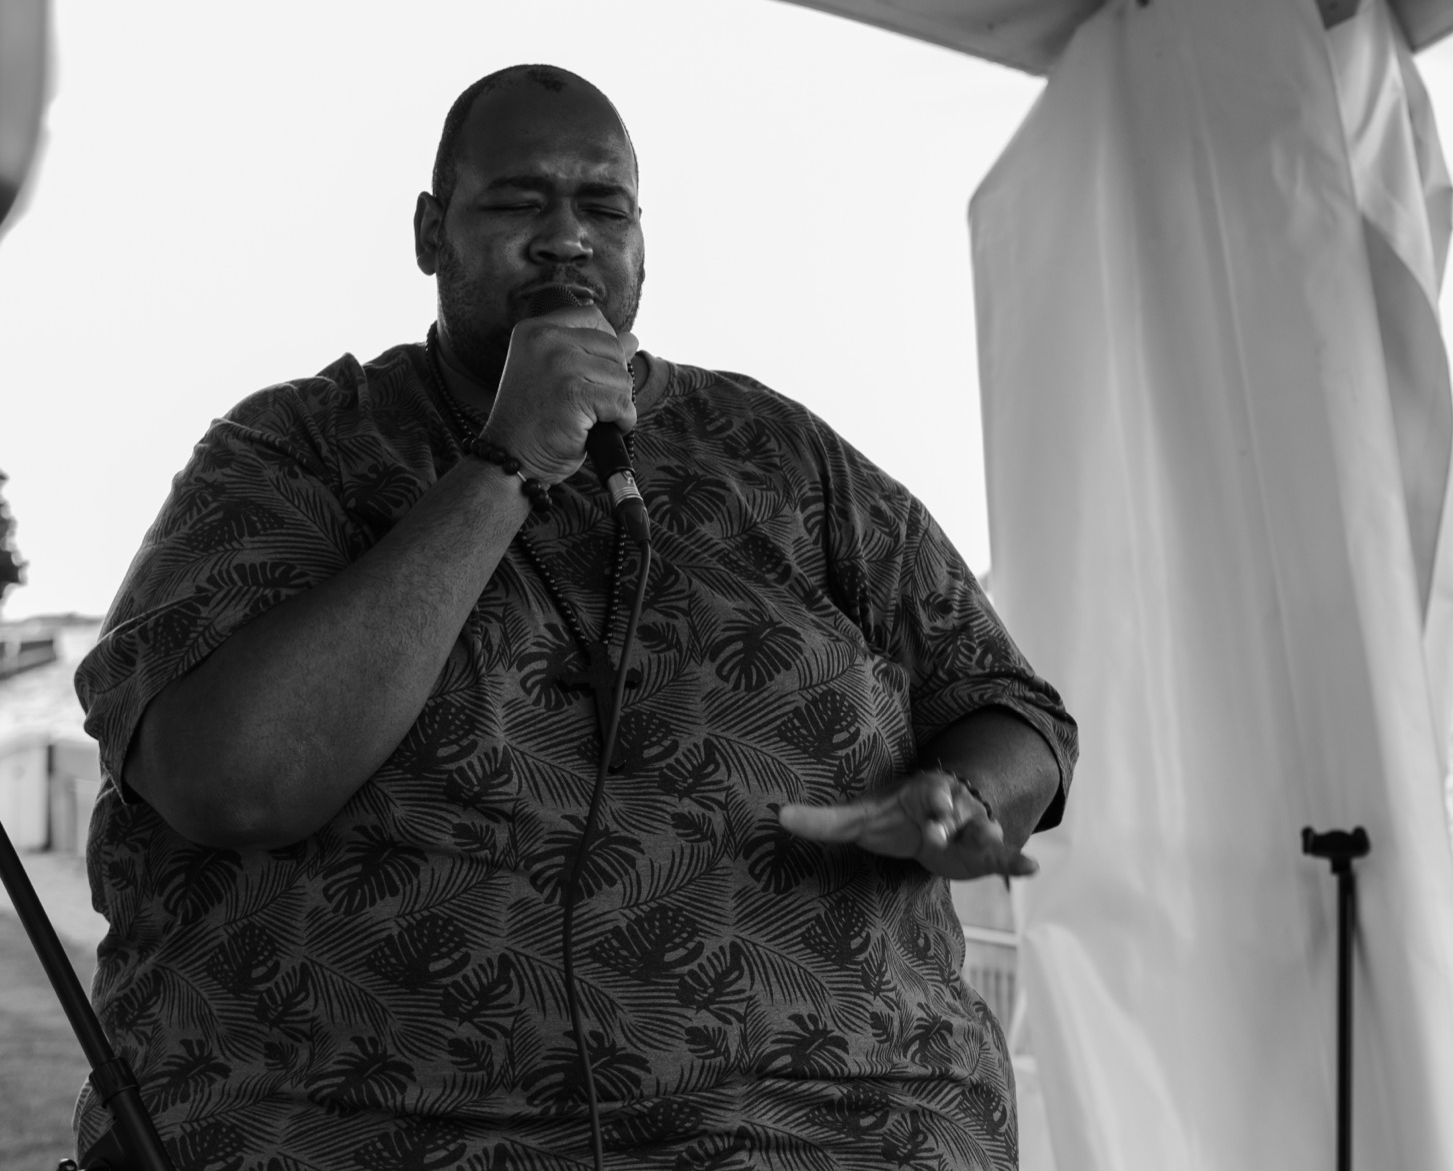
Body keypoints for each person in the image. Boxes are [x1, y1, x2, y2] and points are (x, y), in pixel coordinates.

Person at [73, 64, 1077, 1169]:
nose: (566, 238)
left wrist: (965, 795)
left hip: (832, 1114)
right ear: (429, 232)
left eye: (604, 206)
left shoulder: (783, 454)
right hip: (370, 1127)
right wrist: (506, 459)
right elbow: (238, 778)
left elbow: (1010, 705)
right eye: (516, 201)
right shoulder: (296, 449)